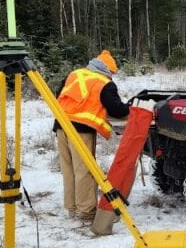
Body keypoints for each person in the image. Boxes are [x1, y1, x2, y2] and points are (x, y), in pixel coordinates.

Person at [54, 50, 130, 222]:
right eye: (112, 73)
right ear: (107, 70)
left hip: (61, 125)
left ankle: (72, 207)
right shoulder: (104, 83)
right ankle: (86, 211)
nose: (111, 76)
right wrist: (131, 106)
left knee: (68, 169)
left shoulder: (74, 74)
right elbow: (117, 110)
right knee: (84, 171)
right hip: (81, 130)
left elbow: (58, 95)